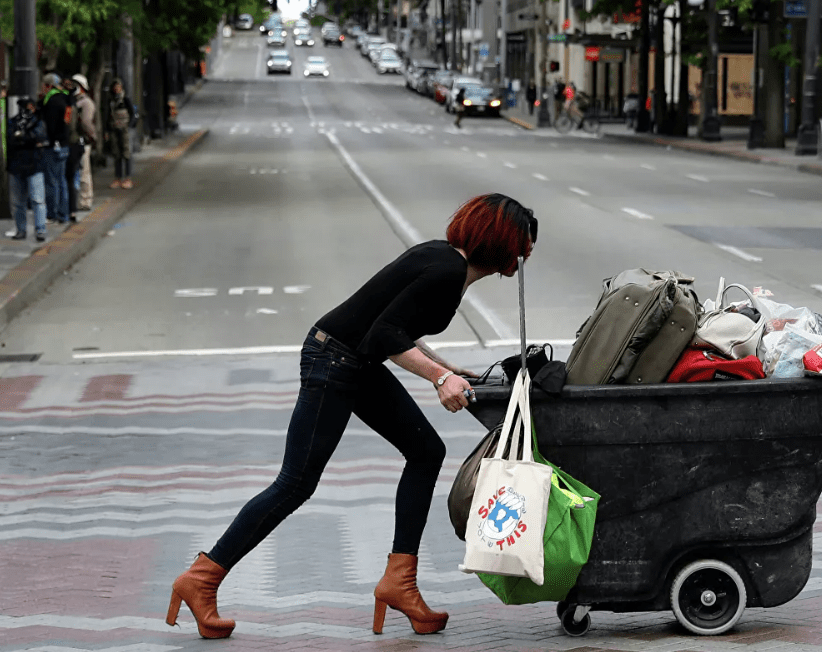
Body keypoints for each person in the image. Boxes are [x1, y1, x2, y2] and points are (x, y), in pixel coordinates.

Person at [165, 193, 538, 640]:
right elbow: (383, 333)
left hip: (353, 361)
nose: (526, 255)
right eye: (524, 244)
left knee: (425, 451)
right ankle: (201, 578)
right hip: (335, 360)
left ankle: (399, 582)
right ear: (502, 241)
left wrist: (446, 366)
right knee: (296, 483)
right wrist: (439, 379)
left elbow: (391, 324)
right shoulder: (446, 270)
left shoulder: (444, 262)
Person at [6, 97, 49, 242]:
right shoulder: (13, 122)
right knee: (18, 202)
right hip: (18, 165)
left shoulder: (38, 121)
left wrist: (22, 137)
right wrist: (26, 139)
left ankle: (40, 229)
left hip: (34, 164)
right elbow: (11, 138)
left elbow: (39, 136)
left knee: (37, 199)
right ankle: (21, 229)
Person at [40, 73, 72, 224]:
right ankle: (63, 213)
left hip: (53, 146)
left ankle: (52, 213)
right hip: (65, 144)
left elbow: (50, 127)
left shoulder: (51, 102)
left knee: (51, 181)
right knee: (62, 180)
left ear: (48, 86)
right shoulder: (66, 99)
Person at [70, 74, 98, 212]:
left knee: (84, 171)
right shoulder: (75, 101)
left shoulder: (86, 102)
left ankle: (86, 200)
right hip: (76, 141)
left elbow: (87, 123)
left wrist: (92, 136)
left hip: (83, 141)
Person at [105, 78, 136, 189]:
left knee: (126, 153)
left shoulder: (125, 99)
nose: (116, 89)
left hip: (125, 129)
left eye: (118, 87)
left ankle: (128, 178)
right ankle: (118, 178)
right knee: (117, 154)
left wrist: (129, 125)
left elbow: (132, 113)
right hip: (114, 129)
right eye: (115, 87)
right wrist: (107, 130)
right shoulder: (111, 101)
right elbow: (107, 116)